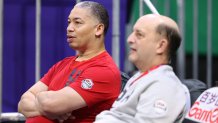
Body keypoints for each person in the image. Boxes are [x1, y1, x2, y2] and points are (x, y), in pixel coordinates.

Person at [18, 1, 121, 123]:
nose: (69, 28)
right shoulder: (62, 64)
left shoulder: (104, 70)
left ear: (98, 29)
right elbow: (22, 104)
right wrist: (49, 109)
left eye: (77, 23)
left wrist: (46, 102)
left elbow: (50, 104)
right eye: (69, 22)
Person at [94, 14, 190, 123]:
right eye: (132, 33)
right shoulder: (145, 76)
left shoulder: (163, 86)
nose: (129, 39)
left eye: (139, 35)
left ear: (161, 46)